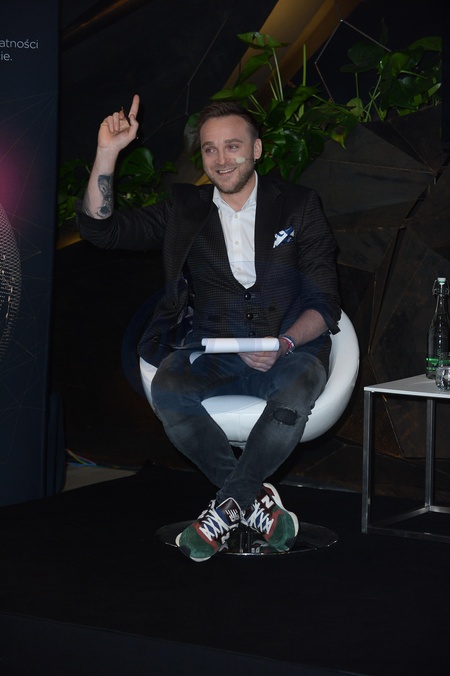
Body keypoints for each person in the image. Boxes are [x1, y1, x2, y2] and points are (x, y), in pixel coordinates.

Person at [77, 94, 341, 562]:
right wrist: (107, 152)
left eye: (233, 146)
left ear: (256, 149)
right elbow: (103, 230)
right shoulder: (183, 208)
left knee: (298, 386)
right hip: (213, 350)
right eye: (210, 149)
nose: (221, 159)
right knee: (169, 386)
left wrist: (283, 344)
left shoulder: (298, 206)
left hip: (288, 351)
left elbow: (324, 301)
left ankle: (226, 508)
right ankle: (251, 504)